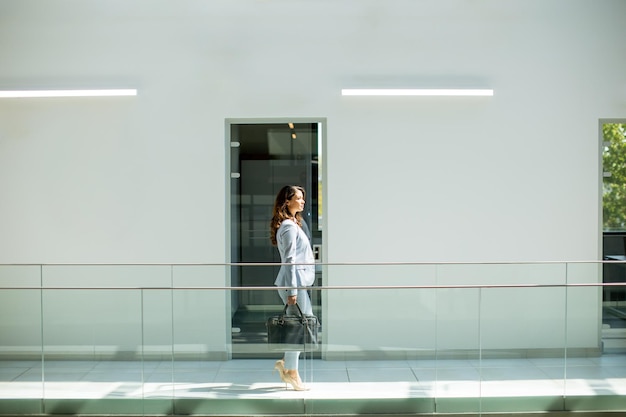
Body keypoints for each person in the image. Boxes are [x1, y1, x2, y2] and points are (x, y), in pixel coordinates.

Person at [269, 185, 316, 391]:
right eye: (298, 198)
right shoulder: (288, 226)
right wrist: (293, 291)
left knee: (298, 327)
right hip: (293, 285)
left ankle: (287, 366)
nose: (303, 201)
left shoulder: (293, 224)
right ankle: (292, 372)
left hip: (295, 284)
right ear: (287, 201)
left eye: (303, 198)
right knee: (301, 327)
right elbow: (289, 261)